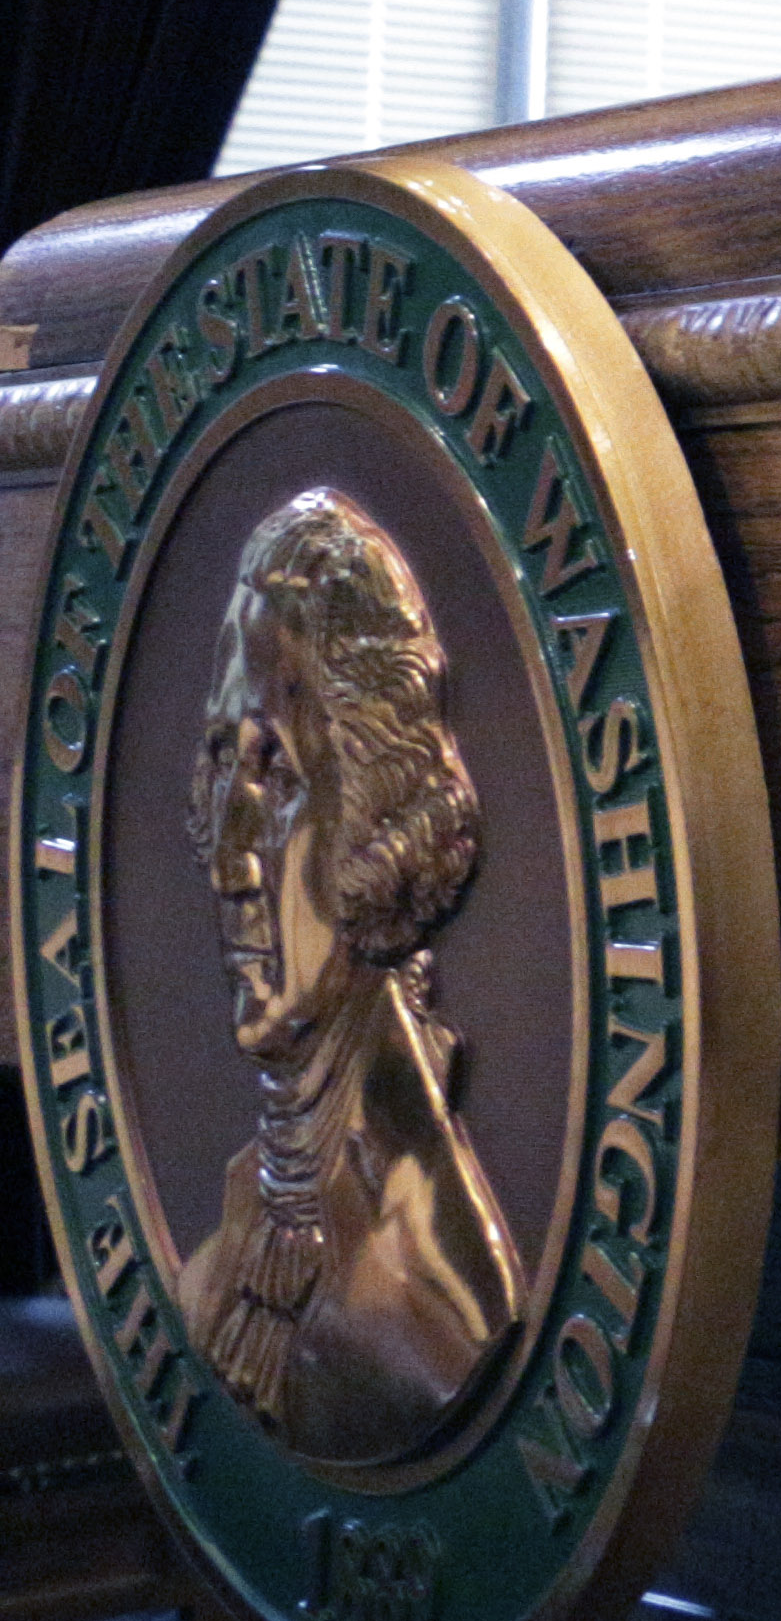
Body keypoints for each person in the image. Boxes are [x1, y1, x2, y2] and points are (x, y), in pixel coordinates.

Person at [176, 486, 525, 1468]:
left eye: (279, 775)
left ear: (376, 815)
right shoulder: (223, 1256)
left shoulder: (436, 1296)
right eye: (221, 764)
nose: (232, 856)